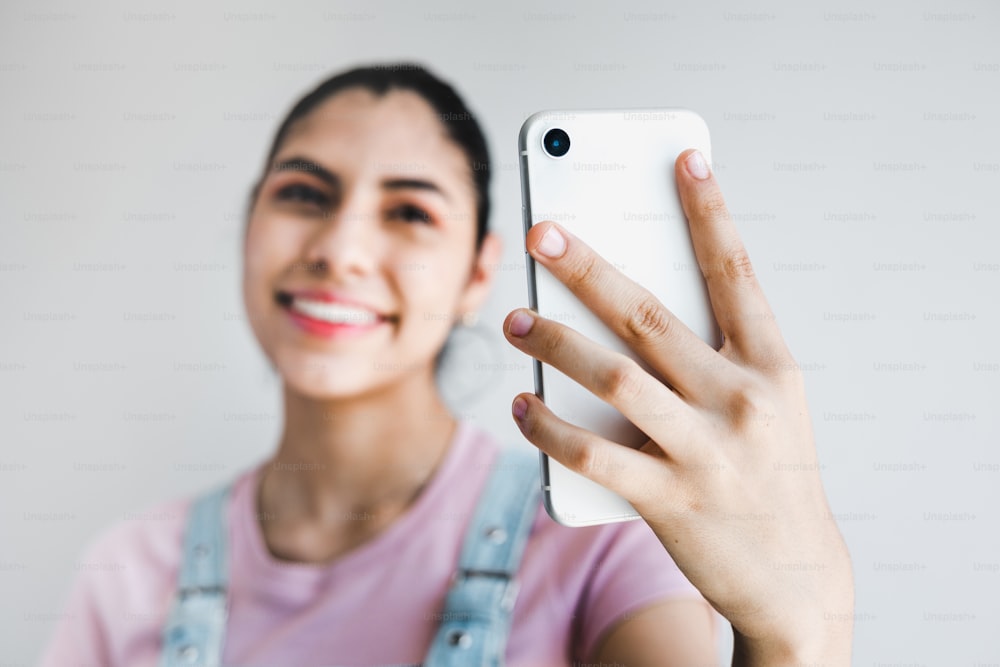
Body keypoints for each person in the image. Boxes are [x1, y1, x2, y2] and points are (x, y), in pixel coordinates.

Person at [38, 62, 852, 667]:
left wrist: (797, 630)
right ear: (251, 225)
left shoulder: (602, 547)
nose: (340, 250)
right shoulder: (128, 569)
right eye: (303, 194)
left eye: (409, 211)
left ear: (475, 273)